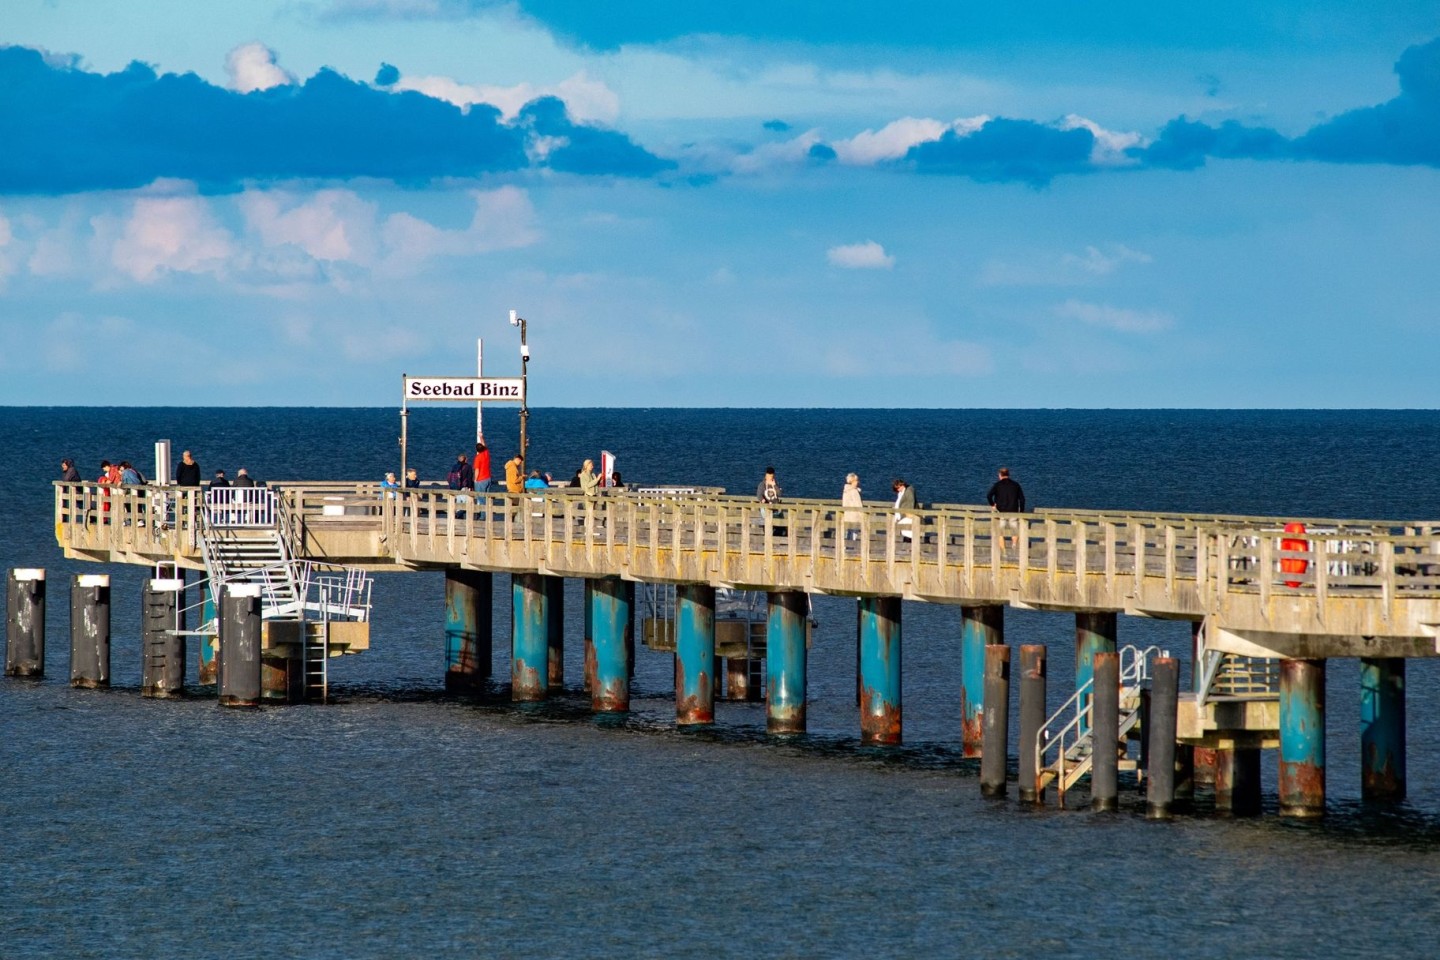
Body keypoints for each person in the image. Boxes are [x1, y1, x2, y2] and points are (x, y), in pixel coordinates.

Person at [987, 467, 1026, 549]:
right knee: (1015, 530)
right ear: (1008, 474)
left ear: (1000, 475)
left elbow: (989, 495)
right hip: (1013, 511)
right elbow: (1022, 499)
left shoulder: (997, 485)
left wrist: (992, 504)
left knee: (1000, 532)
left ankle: (1003, 550)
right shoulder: (1016, 485)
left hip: (1001, 511)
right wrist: (1021, 511)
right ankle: (1014, 545)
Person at [892, 478, 915, 542]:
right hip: (903, 515)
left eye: (897, 488)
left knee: (907, 531)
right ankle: (906, 547)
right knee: (905, 531)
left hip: (907, 515)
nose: (897, 490)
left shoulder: (909, 491)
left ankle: (909, 547)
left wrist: (908, 513)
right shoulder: (901, 493)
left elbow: (911, 503)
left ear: (901, 485)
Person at [842, 472, 863, 542]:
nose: (858, 482)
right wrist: (862, 515)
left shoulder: (846, 491)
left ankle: (846, 547)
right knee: (854, 533)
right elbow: (858, 504)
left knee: (848, 532)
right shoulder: (854, 491)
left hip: (847, 514)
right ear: (853, 481)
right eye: (856, 480)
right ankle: (852, 547)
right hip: (854, 515)